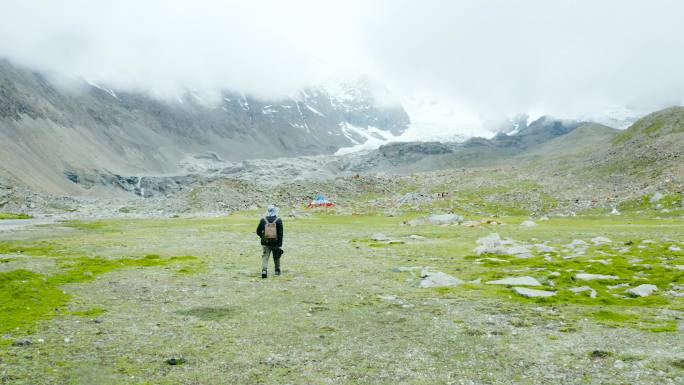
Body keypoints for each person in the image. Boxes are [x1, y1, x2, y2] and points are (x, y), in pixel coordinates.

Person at [255, 204, 284, 278]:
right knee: (276, 256)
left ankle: (264, 271)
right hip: (276, 243)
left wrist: (262, 237)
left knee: (265, 256)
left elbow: (258, 231)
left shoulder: (263, 220)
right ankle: (277, 271)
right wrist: (280, 245)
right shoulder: (279, 220)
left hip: (265, 242)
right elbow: (280, 234)